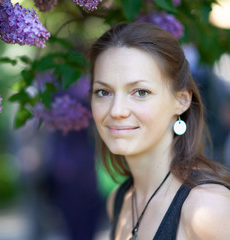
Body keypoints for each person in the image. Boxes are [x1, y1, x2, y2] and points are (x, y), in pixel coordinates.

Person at [88, 22, 230, 240]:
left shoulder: (208, 209)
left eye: (141, 92)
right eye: (103, 92)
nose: (116, 111)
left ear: (181, 101)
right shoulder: (120, 200)